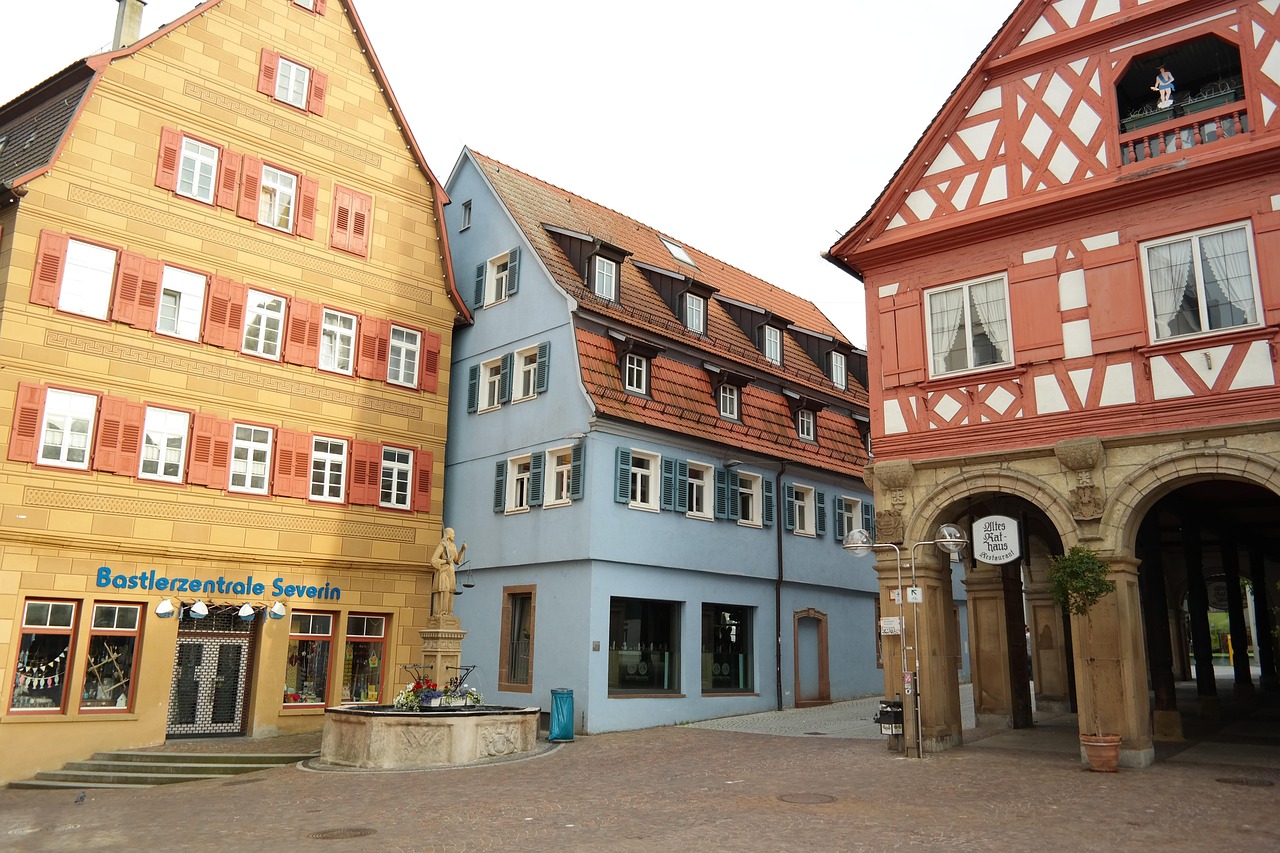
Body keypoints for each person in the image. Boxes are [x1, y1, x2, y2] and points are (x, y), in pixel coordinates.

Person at [431, 527, 467, 617]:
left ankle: (449, 613)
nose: (454, 535)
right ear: (448, 534)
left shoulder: (453, 546)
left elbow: (457, 561)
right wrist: (445, 561)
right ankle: (441, 612)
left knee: (451, 591)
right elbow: (434, 560)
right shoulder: (442, 545)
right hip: (443, 571)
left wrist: (462, 550)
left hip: (451, 571)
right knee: (444, 590)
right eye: (452, 533)